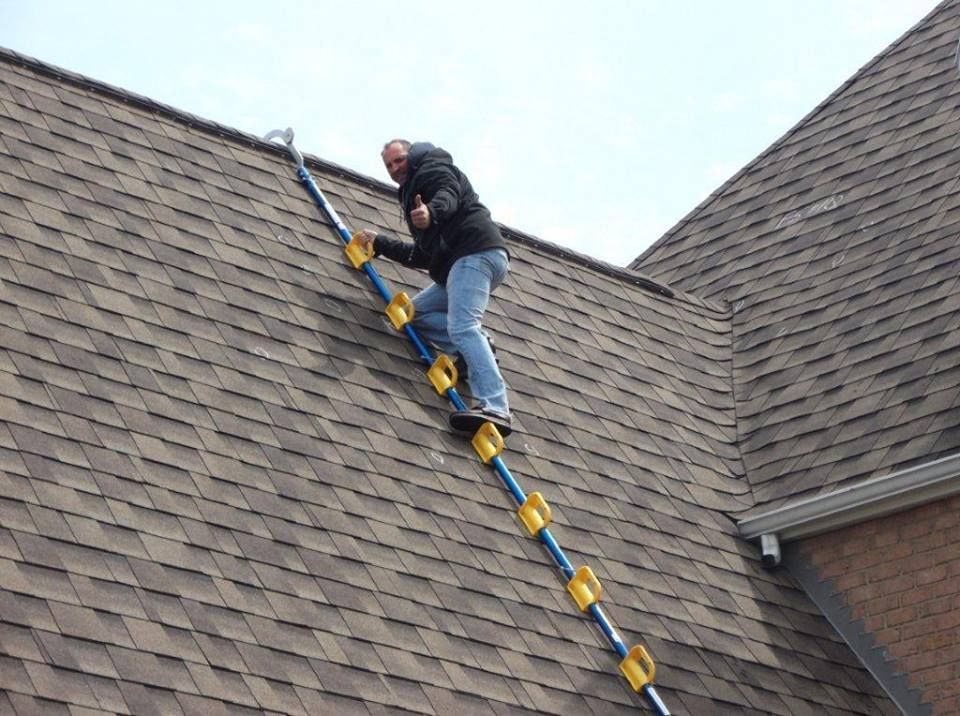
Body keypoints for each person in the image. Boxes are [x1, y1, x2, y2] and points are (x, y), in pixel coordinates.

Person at [356, 139, 512, 436]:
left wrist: (432, 212)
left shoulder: (432, 169)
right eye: (389, 165)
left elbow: (448, 195)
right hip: (460, 265)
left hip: (473, 254)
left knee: (464, 326)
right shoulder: (412, 194)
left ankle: (495, 407)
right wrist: (380, 243)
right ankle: (477, 348)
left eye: (399, 160)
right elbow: (422, 256)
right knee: (412, 316)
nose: (394, 169)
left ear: (412, 155)